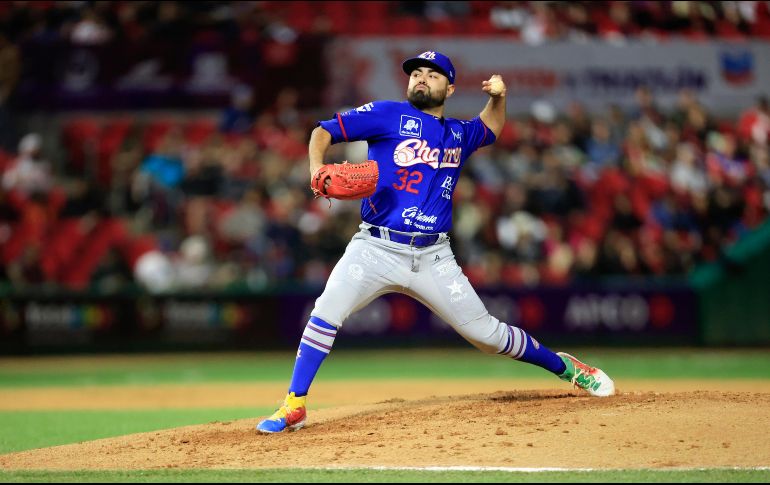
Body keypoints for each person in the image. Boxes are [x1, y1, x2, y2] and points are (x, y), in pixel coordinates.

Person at [257, 51, 615, 434]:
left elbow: (490, 128)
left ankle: (568, 368)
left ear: (450, 87)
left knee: (488, 336)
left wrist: (498, 97)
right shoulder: (387, 114)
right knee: (325, 311)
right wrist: (316, 168)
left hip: (433, 255)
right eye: (416, 74)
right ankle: (295, 404)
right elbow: (322, 132)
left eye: (432, 74)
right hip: (375, 246)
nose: (421, 79)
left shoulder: (459, 134)